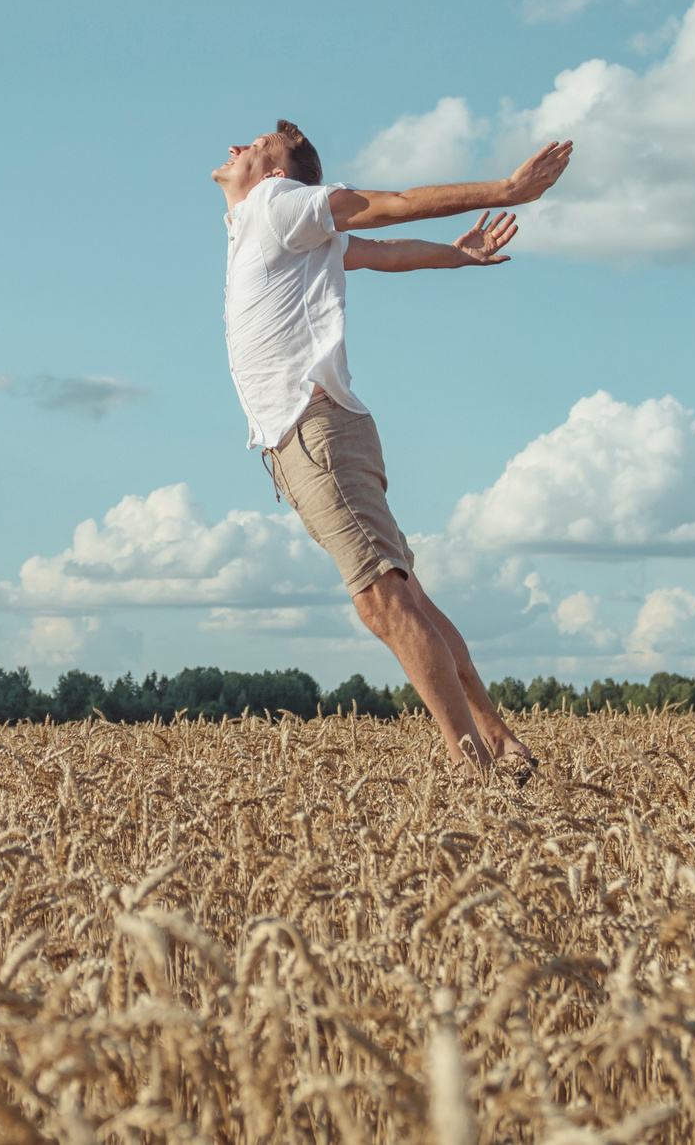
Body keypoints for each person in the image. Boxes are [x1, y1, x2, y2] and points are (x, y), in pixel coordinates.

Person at [216, 119, 573, 773]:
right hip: (307, 442)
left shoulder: (278, 205)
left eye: (256, 144)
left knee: (383, 601)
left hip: (315, 434)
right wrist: (455, 255)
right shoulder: (265, 229)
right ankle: (495, 740)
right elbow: (382, 251)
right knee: (405, 596)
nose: (237, 146)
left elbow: (393, 204)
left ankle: (474, 765)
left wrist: (508, 189)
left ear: (274, 174)